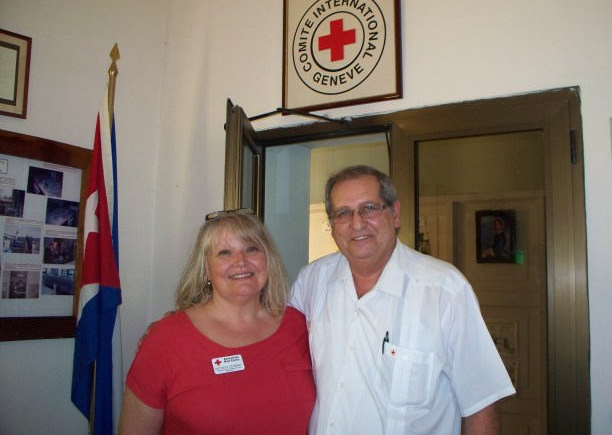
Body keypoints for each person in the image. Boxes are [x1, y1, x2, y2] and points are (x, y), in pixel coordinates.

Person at [289, 165, 515, 434]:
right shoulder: (311, 282)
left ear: (395, 214)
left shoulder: (445, 290)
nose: (357, 223)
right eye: (343, 213)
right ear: (333, 224)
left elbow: (481, 404)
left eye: (369, 208)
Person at [119, 210, 315, 434]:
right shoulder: (166, 339)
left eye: (251, 249)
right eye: (224, 253)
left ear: (267, 259)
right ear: (206, 270)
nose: (241, 261)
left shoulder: (299, 326)